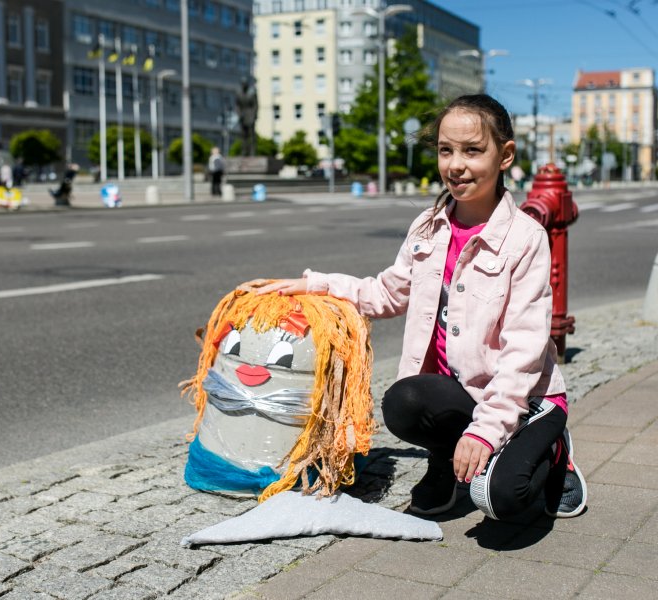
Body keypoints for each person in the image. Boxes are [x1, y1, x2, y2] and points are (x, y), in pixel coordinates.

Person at [239, 94, 587, 521]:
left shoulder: (526, 238)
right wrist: (315, 285)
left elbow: (524, 351)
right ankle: (447, 459)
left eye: (473, 151)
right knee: (403, 401)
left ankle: (553, 452)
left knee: (501, 499)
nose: (455, 165)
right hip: (460, 393)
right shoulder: (427, 225)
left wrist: (485, 432)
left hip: (525, 397)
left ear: (505, 156)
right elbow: (386, 293)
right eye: (446, 150)